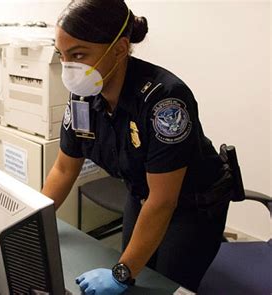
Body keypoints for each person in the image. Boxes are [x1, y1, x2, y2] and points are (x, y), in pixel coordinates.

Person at [41, 0, 232, 293]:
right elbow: (65, 168)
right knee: (135, 276)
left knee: (163, 284)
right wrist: (30, 220)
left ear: (119, 48)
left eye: (78, 55)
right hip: (142, 193)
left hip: (193, 205)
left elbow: (164, 200)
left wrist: (121, 272)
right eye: (63, 56)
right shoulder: (83, 95)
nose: (69, 68)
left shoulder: (165, 100)